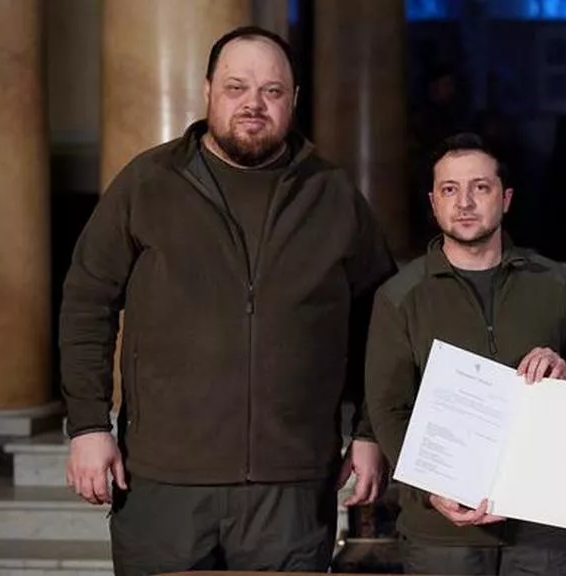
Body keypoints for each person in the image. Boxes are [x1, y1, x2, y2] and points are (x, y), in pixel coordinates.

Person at [59, 26, 395, 575]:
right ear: (208, 90)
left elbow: (380, 324)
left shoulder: (333, 194)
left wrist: (368, 430)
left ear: (293, 99)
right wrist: (89, 425)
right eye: (237, 87)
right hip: (163, 480)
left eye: (271, 90)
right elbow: (86, 304)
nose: (253, 104)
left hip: (291, 484)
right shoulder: (148, 183)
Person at [364, 132, 566, 576]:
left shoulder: (552, 282)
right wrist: (431, 489)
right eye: (450, 189)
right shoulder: (400, 297)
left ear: (505, 199)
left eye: (480, 187)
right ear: (433, 203)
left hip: (541, 529)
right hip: (441, 535)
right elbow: (389, 410)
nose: (464, 202)